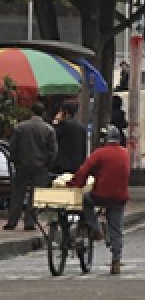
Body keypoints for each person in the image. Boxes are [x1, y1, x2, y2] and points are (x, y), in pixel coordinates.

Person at [67, 125, 129, 274]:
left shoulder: (99, 153)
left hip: (100, 195)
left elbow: (83, 170)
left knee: (86, 199)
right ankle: (116, 260)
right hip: (120, 197)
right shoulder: (125, 153)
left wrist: (75, 184)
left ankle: (96, 229)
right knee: (116, 228)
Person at [4, 102, 57, 231]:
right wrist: (48, 165)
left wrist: (15, 161)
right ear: (43, 113)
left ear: (31, 113)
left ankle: (12, 221)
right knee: (35, 194)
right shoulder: (48, 129)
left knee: (18, 193)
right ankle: (30, 222)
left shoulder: (20, 128)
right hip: (40, 166)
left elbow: (13, 147)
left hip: (22, 164)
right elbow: (53, 151)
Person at [52, 101, 87, 174]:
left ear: (65, 111)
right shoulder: (81, 127)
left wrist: (55, 122)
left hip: (63, 165)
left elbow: (53, 137)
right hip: (77, 164)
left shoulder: (63, 125)